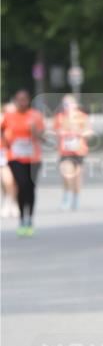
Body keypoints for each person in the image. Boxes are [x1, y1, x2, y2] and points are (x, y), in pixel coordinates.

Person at [1, 89, 45, 236]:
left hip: (33, 158)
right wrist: (6, 142)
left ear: (29, 100)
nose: (22, 102)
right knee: (21, 185)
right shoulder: (9, 116)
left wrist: (34, 131)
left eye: (25, 99)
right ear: (15, 101)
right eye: (19, 99)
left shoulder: (35, 116)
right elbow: (1, 130)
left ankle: (30, 219)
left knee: (31, 188)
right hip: (15, 157)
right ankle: (21, 219)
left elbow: (42, 137)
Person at [53, 95, 92, 210]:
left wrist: (79, 132)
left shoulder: (82, 116)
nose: (68, 107)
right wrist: (62, 132)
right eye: (65, 104)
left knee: (77, 177)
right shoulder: (60, 117)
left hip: (79, 151)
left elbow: (89, 132)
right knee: (66, 175)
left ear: (75, 105)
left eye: (70, 104)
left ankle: (76, 197)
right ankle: (66, 197)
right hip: (65, 152)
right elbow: (56, 132)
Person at [0, 102, 18, 218]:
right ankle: (7, 200)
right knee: (5, 180)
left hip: (17, 154)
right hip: (3, 153)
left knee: (14, 180)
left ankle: (13, 203)